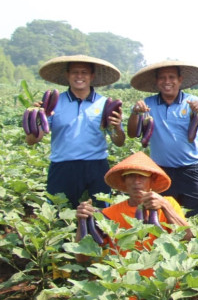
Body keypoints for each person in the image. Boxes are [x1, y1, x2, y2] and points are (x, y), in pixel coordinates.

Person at [69, 152, 190, 300]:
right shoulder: (109, 214)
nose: (136, 182)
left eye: (141, 176)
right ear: (123, 184)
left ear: (151, 181)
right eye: (130, 177)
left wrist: (165, 206)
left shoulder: (169, 203)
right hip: (126, 297)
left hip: (166, 292)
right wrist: (82, 223)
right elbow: (83, 258)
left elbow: (188, 237)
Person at [27, 55, 125, 208]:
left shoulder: (105, 103)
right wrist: (37, 119)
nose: (79, 76)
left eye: (84, 72)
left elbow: (119, 142)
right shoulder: (53, 103)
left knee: (100, 217)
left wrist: (117, 127)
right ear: (68, 75)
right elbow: (32, 140)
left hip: (96, 167)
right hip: (62, 167)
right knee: (59, 215)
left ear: (92, 76)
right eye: (74, 72)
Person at [128, 61, 198, 216]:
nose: (167, 81)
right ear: (156, 81)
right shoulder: (148, 104)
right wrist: (135, 113)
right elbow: (133, 133)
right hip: (160, 170)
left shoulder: (193, 102)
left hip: (191, 169)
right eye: (162, 77)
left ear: (180, 80)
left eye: (171, 77)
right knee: (162, 214)